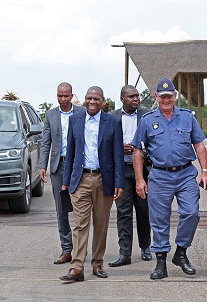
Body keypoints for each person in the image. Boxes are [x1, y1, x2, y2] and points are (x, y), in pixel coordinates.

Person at [132, 78, 207, 280]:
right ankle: (160, 263)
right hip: (159, 175)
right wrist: (140, 180)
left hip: (185, 174)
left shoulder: (187, 118)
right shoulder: (147, 120)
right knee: (159, 220)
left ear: (175, 96)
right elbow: (138, 152)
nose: (166, 100)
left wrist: (205, 171)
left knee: (191, 213)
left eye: (169, 96)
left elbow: (199, 145)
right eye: (162, 96)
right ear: (156, 97)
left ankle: (181, 252)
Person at [59, 86, 125, 282]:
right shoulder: (75, 120)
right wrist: (66, 181)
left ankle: (97, 263)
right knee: (80, 225)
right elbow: (70, 151)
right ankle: (77, 267)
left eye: (96, 98)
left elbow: (118, 155)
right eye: (89, 98)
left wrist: (119, 182)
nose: (92, 102)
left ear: (103, 101)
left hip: (104, 180)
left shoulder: (113, 122)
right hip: (80, 180)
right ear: (84, 100)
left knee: (101, 224)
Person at [38, 82, 85, 265]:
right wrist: (43, 165)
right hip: (59, 166)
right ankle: (66, 249)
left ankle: (80, 249)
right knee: (61, 210)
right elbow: (46, 142)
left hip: (78, 167)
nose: (63, 99)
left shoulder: (81, 112)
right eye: (60, 96)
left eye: (66, 96)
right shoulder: (51, 114)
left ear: (72, 96)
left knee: (81, 209)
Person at [108, 85, 152, 267]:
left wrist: (141, 151)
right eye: (131, 96)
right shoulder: (111, 117)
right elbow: (104, 143)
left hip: (144, 170)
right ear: (122, 99)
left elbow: (154, 139)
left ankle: (145, 247)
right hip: (122, 171)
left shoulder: (148, 115)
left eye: (137, 96)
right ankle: (124, 253)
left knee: (144, 210)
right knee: (123, 212)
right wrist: (119, 147)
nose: (136, 99)